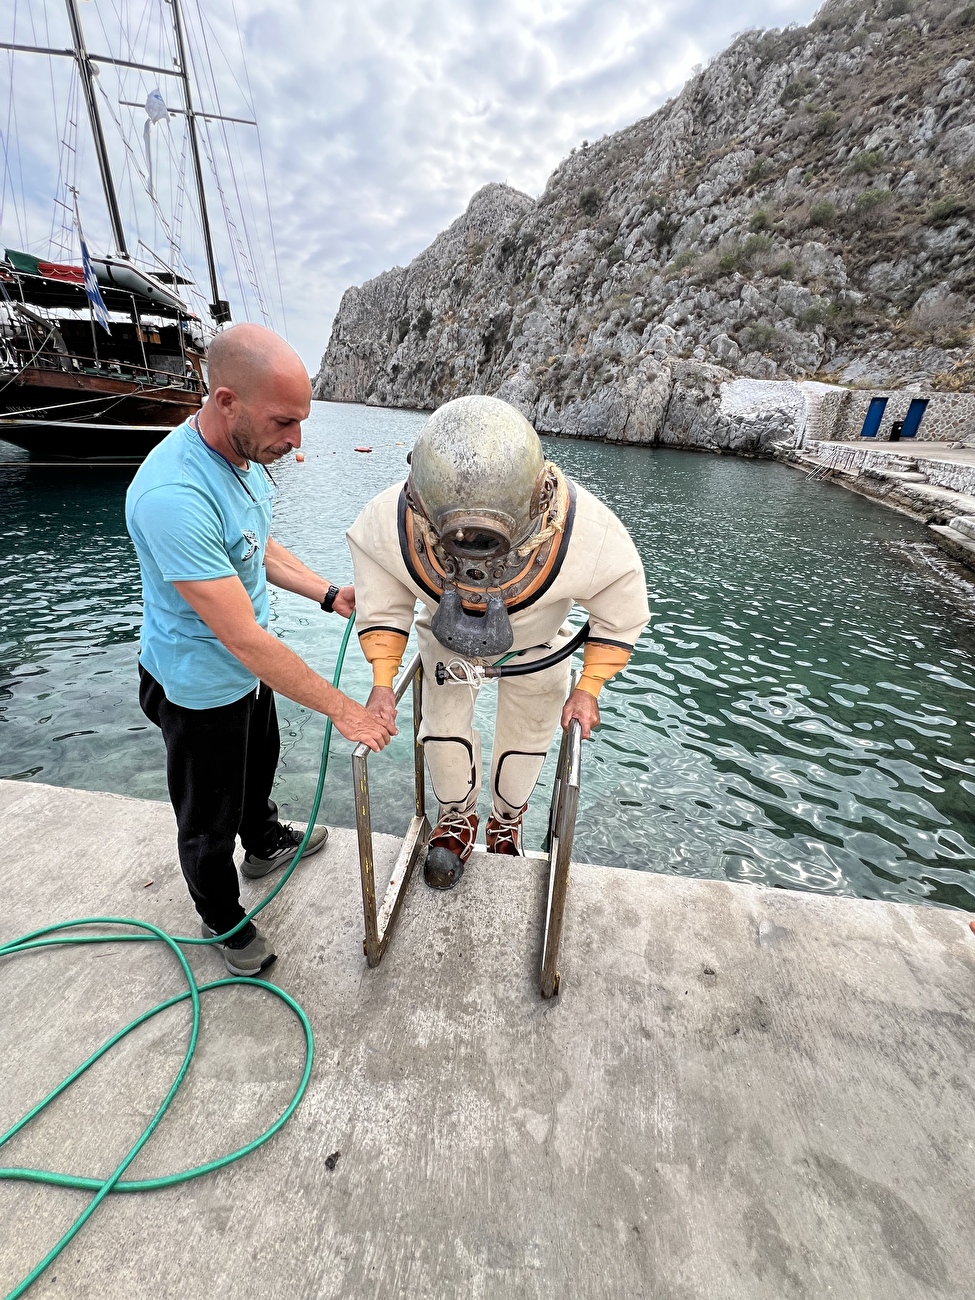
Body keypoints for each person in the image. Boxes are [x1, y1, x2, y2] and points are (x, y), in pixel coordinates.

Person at [126, 323, 393, 974]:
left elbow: (257, 544)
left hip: (245, 675)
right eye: (285, 421)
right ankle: (220, 917)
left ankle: (265, 840)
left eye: (301, 422)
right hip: (197, 685)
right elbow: (242, 636)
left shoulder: (243, 457)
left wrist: (328, 594)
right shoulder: (173, 495)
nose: (296, 440)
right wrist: (344, 710)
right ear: (224, 401)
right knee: (206, 816)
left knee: (258, 767)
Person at [347, 394, 649, 890]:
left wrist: (589, 687)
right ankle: (456, 817)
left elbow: (620, 605)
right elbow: (382, 596)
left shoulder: (588, 531)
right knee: (441, 732)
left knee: (529, 739)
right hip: (444, 642)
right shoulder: (390, 519)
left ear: (536, 497)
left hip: (539, 643)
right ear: (420, 495)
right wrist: (383, 682)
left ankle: (507, 820)